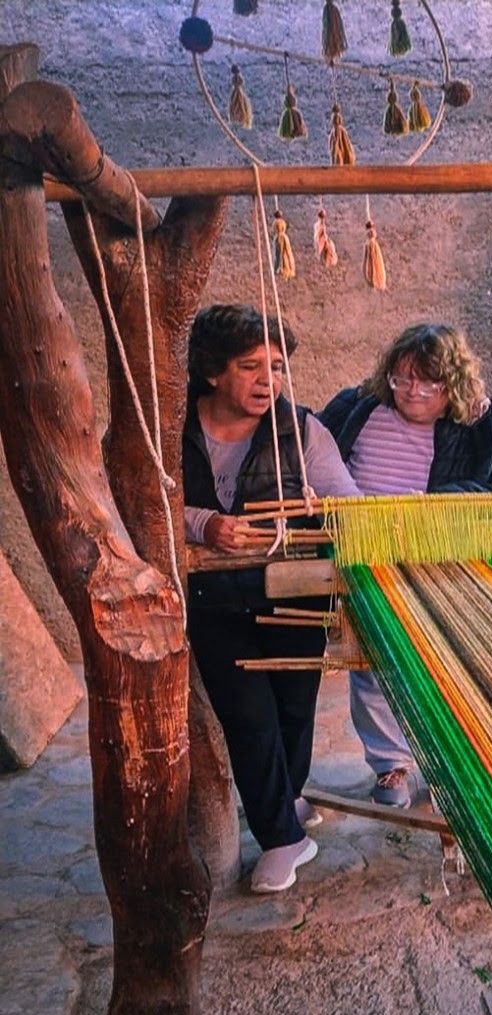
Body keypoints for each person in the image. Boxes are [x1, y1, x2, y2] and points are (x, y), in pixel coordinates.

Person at [319, 322, 492, 807]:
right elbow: (304, 448)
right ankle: (391, 765)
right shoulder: (356, 408)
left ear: (454, 384)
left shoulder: (487, 428)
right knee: (370, 665)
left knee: (446, 666)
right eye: (402, 379)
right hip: (364, 558)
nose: (412, 392)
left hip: (444, 566)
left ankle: (448, 767)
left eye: (428, 382)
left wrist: (434, 504)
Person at [184, 304, 360, 893]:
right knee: (249, 717)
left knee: (293, 710)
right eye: (250, 366)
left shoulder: (302, 430)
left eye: (277, 367)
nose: (268, 381)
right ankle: (284, 837)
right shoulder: (167, 428)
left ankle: (285, 800)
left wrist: (324, 509)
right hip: (213, 598)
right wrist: (204, 523)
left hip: (295, 593)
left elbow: (346, 502)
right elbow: (134, 495)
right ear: (212, 371)